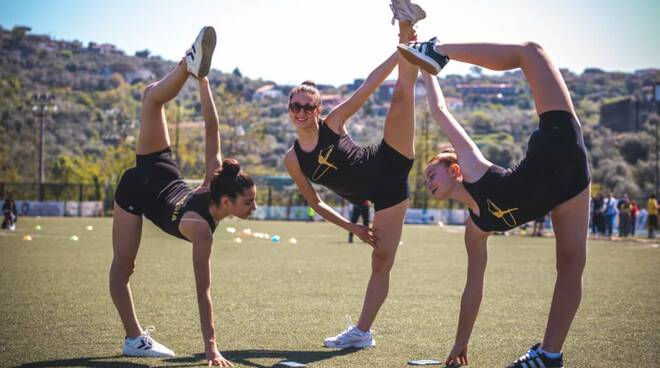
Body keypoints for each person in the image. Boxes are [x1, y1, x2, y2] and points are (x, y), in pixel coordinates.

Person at [405, 36, 590, 367]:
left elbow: (439, 110)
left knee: (532, 51)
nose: (428, 181)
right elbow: (473, 288)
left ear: (455, 170)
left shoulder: (474, 168)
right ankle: (549, 356)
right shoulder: (475, 229)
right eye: (426, 179)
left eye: (432, 174)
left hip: (558, 142)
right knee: (571, 266)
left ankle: (438, 49)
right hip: (571, 185)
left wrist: (425, 65)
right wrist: (460, 344)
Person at [110, 27, 256, 367]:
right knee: (123, 268)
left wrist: (202, 82)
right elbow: (203, 293)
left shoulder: (213, 179)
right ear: (227, 202)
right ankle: (134, 339)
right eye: (247, 202)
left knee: (151, 97)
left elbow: (211, 128)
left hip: (159, 171)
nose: (253, 207)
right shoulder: (202, 229)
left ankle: (189, 67)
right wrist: (212, 348)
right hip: (138, 189)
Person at [283, 0, 425, 349]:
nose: (300, 111)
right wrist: (354, 228)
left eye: (306, 106)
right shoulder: (292, 159)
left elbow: (368, 86)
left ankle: (406, 27)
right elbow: (315, 203)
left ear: (317, 109)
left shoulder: (333, 123)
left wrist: (398, 53)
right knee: (382, 261)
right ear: (290, 109)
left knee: (402, 96)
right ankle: (362, 332)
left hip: (387, 160)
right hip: (388, 197)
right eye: (294, 106)